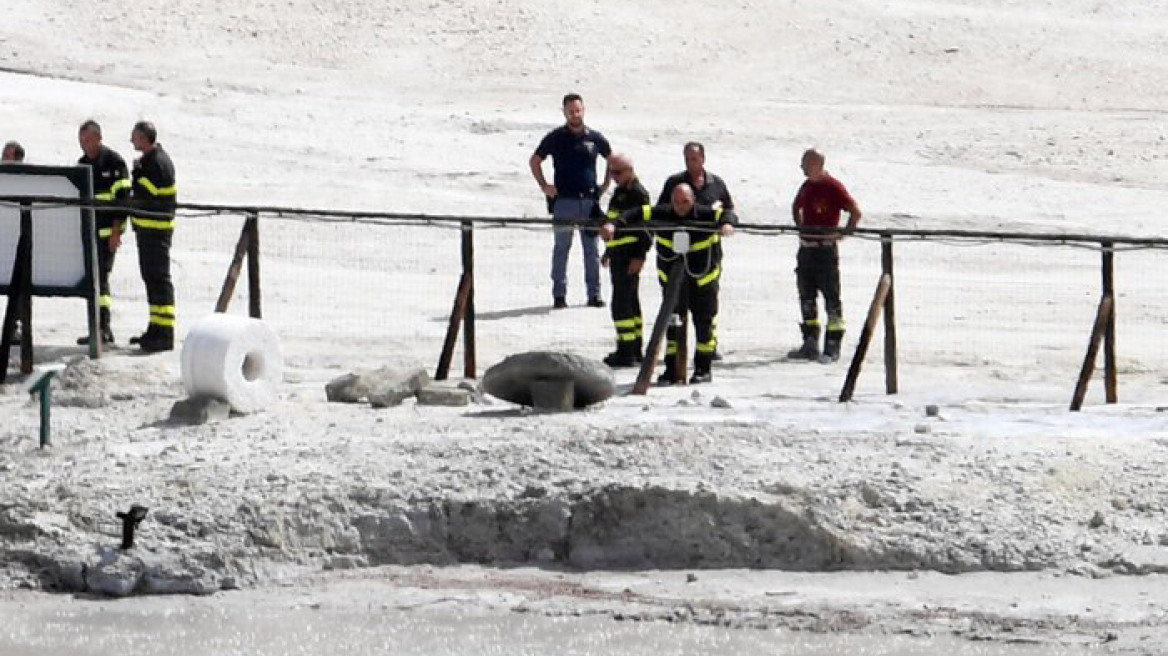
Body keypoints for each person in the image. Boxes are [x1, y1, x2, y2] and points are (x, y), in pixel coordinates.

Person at [602, 183, 737, 384]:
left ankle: (702, 368)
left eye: (685, 202)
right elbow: (636, 213)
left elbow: (727, 214)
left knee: (704, 327)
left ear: (693, 201)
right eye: (676, 202)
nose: (680, 206)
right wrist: (615, 224)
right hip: (672, 282)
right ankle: (672, 369)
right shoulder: (663, 212)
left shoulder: (705, 214)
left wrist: (727, 225)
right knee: (673, 325)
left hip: (703, 281)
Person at [529, 93, 611, 309]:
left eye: (578, 110)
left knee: (591, 250)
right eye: (571, 111)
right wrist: (544, 186)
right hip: (564, 201)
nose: (575, 114)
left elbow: (612, 159)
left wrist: (605, 184)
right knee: (561, 248)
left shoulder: (595, 138)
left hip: (589, 202)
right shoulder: (555, 138)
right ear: (564, 112)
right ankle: (559, 295)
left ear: (584, 110)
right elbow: (535, 160)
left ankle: (594, 295)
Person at [657, 141, 734, 360]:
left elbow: (729, 209)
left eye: (695, 159)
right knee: (674, 309)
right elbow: (660, 211)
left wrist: (725, 221)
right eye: (688, 159)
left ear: (703, 159)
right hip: (676, 258)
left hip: (706, 258)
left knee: (707, 308)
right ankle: (675, 360)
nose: (692, 163)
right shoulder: (674, 183)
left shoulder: (716, 184)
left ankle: (708, 351)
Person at [788, 148, 862, 364]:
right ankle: (810, 342)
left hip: (826, 251)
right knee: (807, 296)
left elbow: (855, 212)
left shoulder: (833, 187)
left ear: (816, 164)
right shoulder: (806, 186)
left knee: (831, 297)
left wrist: (844, 233)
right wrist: (801, 228)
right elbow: (796, 208)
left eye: (805, 162)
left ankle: (832, 345)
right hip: (806, 250)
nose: (801, 166)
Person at [77, 120, 131, 346]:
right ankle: (97, 327)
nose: (84, 145)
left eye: (87, 140)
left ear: (99, 138)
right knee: (94, 280)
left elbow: (123, 201)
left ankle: (103, 328)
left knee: (101, 279)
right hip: (88, 234)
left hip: (108, 233)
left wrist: (116, 232)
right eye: (81, 141)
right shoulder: (81, 164)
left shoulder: (114, 162)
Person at [127, 121, 178, 353]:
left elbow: (146, 193)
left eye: (135, 137)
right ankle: (155, 328)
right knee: (152, 280)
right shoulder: (153, 160)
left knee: (158, 280)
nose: (131, 141)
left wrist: (136, 173)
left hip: (155, 232)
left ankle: (164, 333)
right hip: (149, 231)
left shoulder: (156, 163)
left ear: (145, 138)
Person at [599, 153, 651, 367]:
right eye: (611, 172)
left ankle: (627, 351)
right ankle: (633, 348)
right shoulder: (620, 192)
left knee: (622, 304)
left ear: (630, 171)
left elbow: (645, 229)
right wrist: (608, 252)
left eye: (618, 172)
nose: (614, 176)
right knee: (628, 301)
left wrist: (639, 256)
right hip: (619, 254)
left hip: (630, 255)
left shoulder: (638, 194)